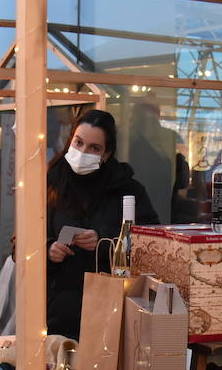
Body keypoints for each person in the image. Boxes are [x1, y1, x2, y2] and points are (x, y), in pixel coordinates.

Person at [45, 109, 158, 339]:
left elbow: (151, 244)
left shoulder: (128, 190)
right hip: (58, 309)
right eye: (78, 143)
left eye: (94, 148)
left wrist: (103, 239)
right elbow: (20, 243)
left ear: (106, 153)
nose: (82, 152)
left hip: (112, 307)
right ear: (70, 140)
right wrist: (48, 248)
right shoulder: (51, 182)